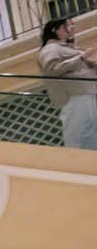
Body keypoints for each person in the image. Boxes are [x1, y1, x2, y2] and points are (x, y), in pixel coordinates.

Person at [39, 17, 97, 150]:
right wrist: (81, 57)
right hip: (75, 97)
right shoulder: (50, 48)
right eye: (68, 26)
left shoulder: (69, 49)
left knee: (91, 135)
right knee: (77, 136)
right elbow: (52, 69)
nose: (72, 29)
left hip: (88, 95)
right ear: (56, 30)